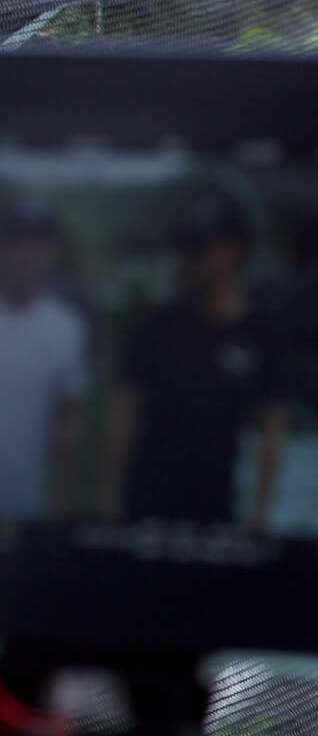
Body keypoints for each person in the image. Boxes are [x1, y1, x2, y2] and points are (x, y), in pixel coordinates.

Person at [103, 196, 287, 527]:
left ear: (238, 252)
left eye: (207, 248)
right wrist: (110, 498)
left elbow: (273, 431)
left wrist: (260, 515)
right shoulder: (157, 326)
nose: (197, 260)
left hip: (214, 500)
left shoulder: (260, 335)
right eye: (192, 249)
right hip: (147, 496)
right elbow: (123, 414)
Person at [0, 198, 87, 519]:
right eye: (18, 242)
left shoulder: (66, 327)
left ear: (50, 252)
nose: (27, 255)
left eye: (37, 244)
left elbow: (69, 420)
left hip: (27, 502)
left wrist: (61, 503)